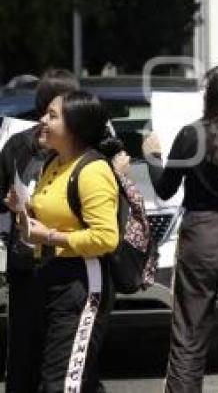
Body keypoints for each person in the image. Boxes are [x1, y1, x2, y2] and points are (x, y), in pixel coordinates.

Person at [143, 64, 218, 393]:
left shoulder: (193, 133)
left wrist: (153, 156)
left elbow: (165, 189)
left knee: (189, 332)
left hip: (199, 234)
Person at [5, 90, 121, 392]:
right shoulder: (52, 164)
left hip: (82, 283)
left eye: (52, 116)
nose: (42, 120)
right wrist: (21, 211)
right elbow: (38, 227)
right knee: (68, 376)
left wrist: (52, 236)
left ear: (76, 126)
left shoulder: (93, 170)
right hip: (50, 277)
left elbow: (106, 237)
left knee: (63, 383)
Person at [0, 68, 79, 392]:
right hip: (62, 263)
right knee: (58, 356)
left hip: (28, 260)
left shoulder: (17, 144)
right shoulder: (79, 149)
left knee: (25, 353)